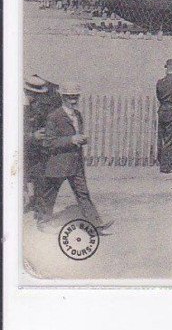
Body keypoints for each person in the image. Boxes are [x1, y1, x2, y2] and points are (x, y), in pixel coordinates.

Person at [36, 82, 110, 231]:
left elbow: (75, 136)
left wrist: (81, 139)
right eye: (70, 97)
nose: (73, 100)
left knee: (83, 193)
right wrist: (71, 139)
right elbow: (49, 142)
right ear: (63, 97)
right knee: (50, 194)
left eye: (76, 97)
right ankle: (43, 223)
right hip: (58, 163)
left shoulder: (78, 115)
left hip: (75, 163)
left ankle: (96, 224)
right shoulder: (54, 116)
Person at [23, 75, 52, 214]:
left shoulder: (33, 105)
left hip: (31, 148)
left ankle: (34, 204)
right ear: (29, 91)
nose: (38, 98)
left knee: (34, 175)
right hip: (20, 149)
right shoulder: (17, 105)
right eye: (36, 94)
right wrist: (32, 135)